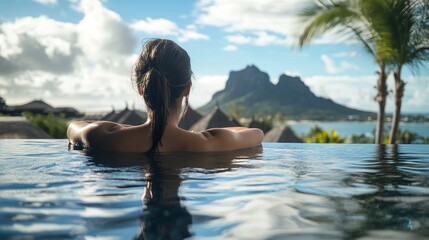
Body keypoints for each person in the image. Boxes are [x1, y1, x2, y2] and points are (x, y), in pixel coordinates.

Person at [67, 39, 263, 156]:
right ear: (187, 89)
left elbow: (74, 126)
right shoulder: (207, 143)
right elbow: (256, 134)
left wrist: (125, 128)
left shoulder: (100, 136)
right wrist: (201, 134)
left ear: (140, 88)